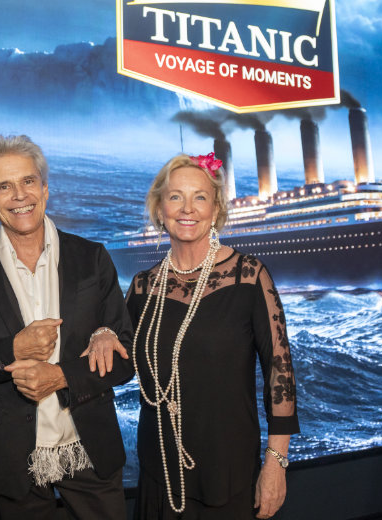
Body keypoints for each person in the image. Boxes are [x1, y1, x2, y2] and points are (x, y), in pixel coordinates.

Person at [0, 134, 133, 520]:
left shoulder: (92, 258)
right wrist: (14, 349)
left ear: (45, 189)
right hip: (11, 456)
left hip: (90, 447)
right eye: (4, 186)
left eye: (28, 181)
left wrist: (62, 376)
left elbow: (126, 359)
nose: (20, 195)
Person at [125, 152, 299, 519]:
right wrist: (103, 333)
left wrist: (276, 461)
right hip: (160, 474)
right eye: (175, 196)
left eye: (200, 197)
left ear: (215, 208)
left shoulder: (249, 276)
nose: (187, 208)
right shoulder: (142, 287)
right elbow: (120, 361)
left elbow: (280, 372)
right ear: (160, 208)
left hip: (229, 475)